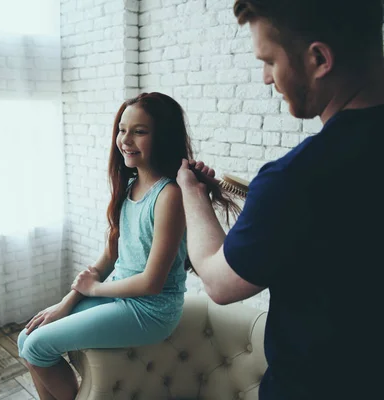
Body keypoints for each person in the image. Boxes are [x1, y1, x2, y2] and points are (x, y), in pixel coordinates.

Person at [176, 1, 384, 399]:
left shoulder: (296, 180)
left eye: (269, 60)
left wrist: (192, 192)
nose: (266, 77)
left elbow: (218, 282)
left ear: (319, 58)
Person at [17, 92, 236, 400]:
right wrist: (65, 303)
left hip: (151, 311)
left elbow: (151, 282)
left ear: (163, 136)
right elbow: (111, 254)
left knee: (39, 346)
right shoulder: (130, 186)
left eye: (139, 131)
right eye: (122, 129)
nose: (125, 139)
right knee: (26, 338)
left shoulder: (169, 195)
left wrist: (94, 290)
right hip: (121, 294)